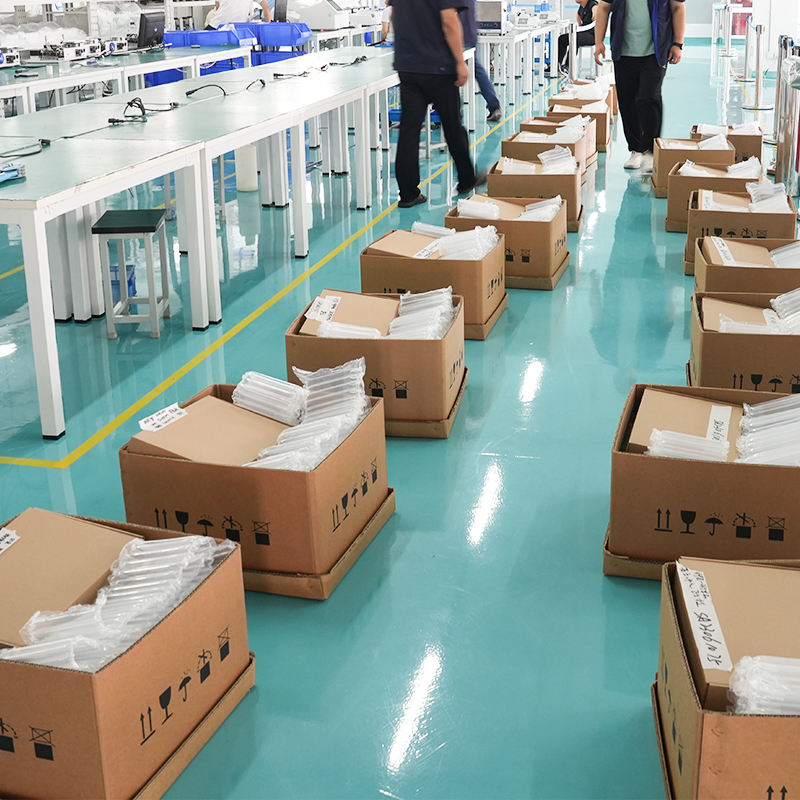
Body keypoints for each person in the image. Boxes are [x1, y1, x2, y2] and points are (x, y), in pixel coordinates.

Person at [389, 0, 485, 207]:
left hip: (408, 66)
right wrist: (460, 62)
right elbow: (449, 20)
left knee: (409, 131)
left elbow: (394, 15)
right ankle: (467, 178)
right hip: (438, 66)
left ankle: (408, 193)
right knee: (452, 125)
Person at [594, 0, 685, 172]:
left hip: (655, 52)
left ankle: (650, 151)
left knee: (649, 97)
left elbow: (678, 7)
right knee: (627, 101)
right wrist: (599, 42)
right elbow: (603, 7)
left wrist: (677, 43)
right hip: (623, 52)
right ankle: (636, 150)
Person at [459, 0, 501, 122]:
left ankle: (450, 112)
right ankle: (494, 106)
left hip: (458, 34)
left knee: (447, 73)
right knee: (478, 70)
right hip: (470, 33)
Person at [557, 0, 598, 74]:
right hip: (583, 33)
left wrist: (595, 14)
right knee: (562, 38)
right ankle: (557, 65)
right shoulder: (581, 8)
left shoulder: (592, 4)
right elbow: (579, 21)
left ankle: (568, 66)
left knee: (574, 38)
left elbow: (595, 10)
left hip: (592, 36)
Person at [205, 0, 271, 29]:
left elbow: (217, 7)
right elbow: (266, 7)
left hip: (217, 26)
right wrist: (268, 28)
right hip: (239, 29)